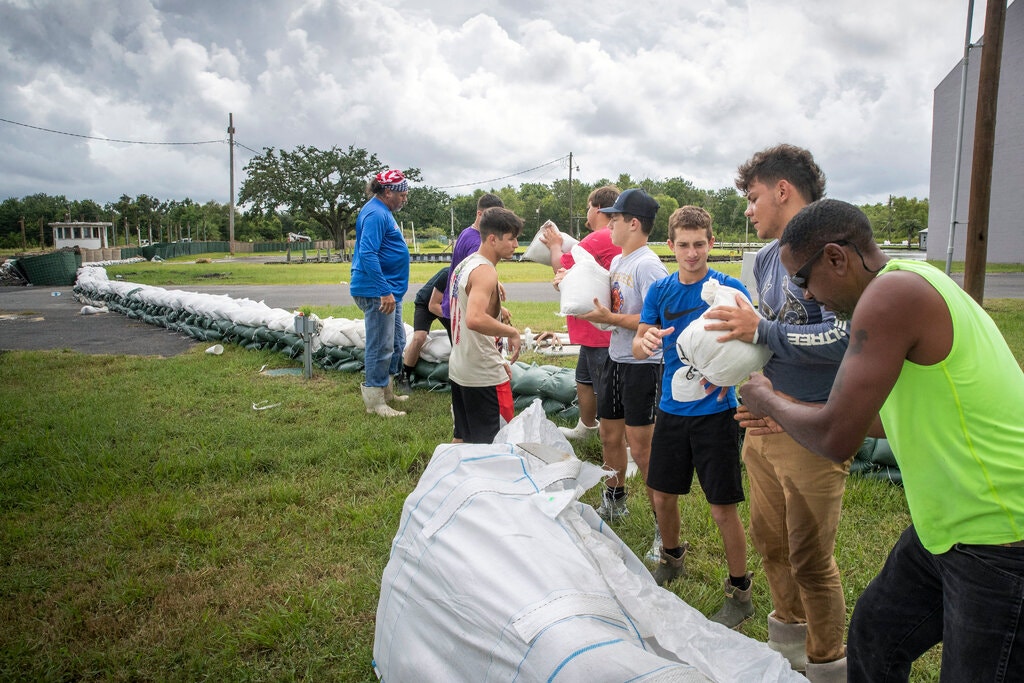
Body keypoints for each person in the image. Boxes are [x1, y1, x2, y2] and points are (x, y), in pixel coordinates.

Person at [739, 198, 1024, 683]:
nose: (806, 298)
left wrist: (766, 398)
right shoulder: (907, 287)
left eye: (803, 281)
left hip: (999, 534)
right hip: (946, 528)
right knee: (873, 636)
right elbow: (869, 421)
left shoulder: (893, 295)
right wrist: (789, 417)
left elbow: (836, 439)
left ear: (836, 257)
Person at [702, 144, 849, 680]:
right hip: (765, 424)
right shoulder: (765, 259)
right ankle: (787, 650)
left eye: (753, 196)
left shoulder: (836, 249)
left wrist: (761, 331)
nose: (748, 208)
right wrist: (736, 372)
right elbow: (765, 341)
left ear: (782, 190)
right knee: (771, 544)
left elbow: (846, 336)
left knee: (811, 558)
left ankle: (828, 662)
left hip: (814, 427)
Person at [634, 206, 754, 629]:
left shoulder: (729, 288)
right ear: (670, 246)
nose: (691, 253)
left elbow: (752, 348)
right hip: (670, 409)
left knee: (723, 508)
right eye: (683, 245)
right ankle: (672, 559)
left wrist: (735, 377)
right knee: (662, 494)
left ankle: (740, 591)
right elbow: (638, 344)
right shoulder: (661, 292)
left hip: (716, 414)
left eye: (699, 244)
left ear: (711, 243)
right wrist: (644, 340)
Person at [578, 188, 667, 536]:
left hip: (643, 366)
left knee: (642, 450)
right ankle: (615, 500)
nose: (609, 224)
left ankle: (665, 528)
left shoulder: (649, 266)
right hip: (616, 358)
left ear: (633, 223)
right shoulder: (617, 261)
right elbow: (612, 306)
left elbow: (658, 322)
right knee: (608, 435)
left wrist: (613, 320)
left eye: (614, 219)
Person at [543, 185, 622, 441]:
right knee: (584, 380)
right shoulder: (605, 239)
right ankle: (586, 427)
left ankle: (624, 445)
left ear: (598, 208)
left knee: (606, 389)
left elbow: (561, 268)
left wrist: (555, 245)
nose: (586, 212)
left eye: (588, 207)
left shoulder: (599, 237)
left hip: (600, 331)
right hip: (593, 331)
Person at [448, 207, 523, 443]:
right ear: (492, 239)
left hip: (461, 367)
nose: (516, 245)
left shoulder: (465, 265)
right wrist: (512, 331)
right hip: (482, 375)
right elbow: (474, 318)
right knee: (495, 444)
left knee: (462, 439)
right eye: (511, 238)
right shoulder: (485, 272)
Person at [351, 168, 411, 418]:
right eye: (403, 195)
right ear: (388, 192)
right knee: (380, 345)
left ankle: (386, 390)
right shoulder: (375, 214)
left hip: (389, 292)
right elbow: (367, 253)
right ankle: (374, 402)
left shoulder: (382, 211)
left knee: (396, 341)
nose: (405, 199)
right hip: (378, 291)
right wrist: (384, 290)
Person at [441, 193, 505, 338]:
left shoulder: (466, 232)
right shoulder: (477, 242)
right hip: (462, 311)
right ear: (479, 214)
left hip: (453, 306)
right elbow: (476, 278)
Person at [397, 266, 450, 393]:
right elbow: (433, 306)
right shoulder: (447, 274)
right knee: (419, 337)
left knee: (458, 337)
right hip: (426, 305)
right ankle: (404, 376)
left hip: (446, 307)